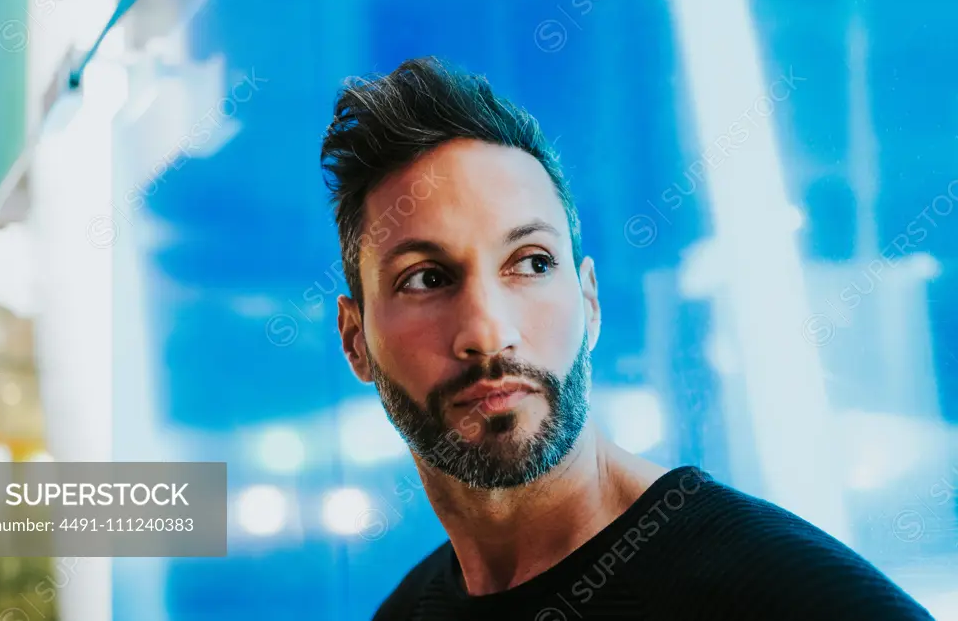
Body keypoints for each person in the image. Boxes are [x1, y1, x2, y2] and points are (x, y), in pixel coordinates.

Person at [319, 57, 934, 620]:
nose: (488, 332)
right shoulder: (404, 614)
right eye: (426, 278)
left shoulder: (788, 596)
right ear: (356, 341)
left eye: (532, 263)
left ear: (589, 302)